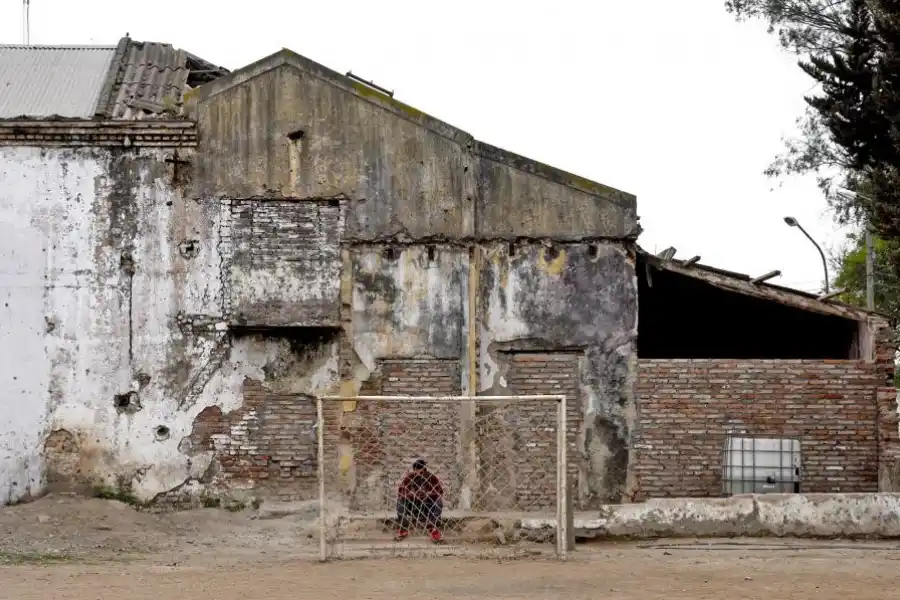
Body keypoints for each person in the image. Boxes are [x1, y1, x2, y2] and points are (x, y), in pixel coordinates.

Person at [395, 459, 444, 543]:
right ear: (414, 470)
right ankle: (403, 527)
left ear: (425, 470)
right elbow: (401, 492)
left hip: (428, 506)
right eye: (416, 472)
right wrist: (411, 495)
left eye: (421, 472)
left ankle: (433, 528)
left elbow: (440, 492)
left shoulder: (432, 478)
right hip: (414, 505)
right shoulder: (410, 477)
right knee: (400, 501)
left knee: (439, 501)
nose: (418, 474)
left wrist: (428, 495)